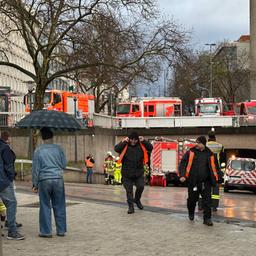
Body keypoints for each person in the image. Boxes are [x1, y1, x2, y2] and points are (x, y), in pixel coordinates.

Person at [32, 127, 67, 238]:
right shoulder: (59, 149)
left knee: (45, 205)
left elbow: (36, 169)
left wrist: (35, 184)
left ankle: (46, 232)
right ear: (52, 136)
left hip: (44, 180)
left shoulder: (38, 150)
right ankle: (61, 230)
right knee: (60, 204)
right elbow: (64, 164)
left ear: (42, 138)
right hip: (58, 179)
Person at [179, 136, 220, 226]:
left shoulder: (210, 154)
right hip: (193, 181)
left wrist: (218, 178)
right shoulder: (191, 152)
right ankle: (191, 212)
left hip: (206, 182)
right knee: (192, 200)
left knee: (207, 201)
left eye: (198, 143)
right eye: (196, 142)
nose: (196, 144)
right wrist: (182, 175)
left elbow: (216, 167)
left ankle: (207, 219)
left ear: (203, 144)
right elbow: (183, 163)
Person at [114, 131, 153, 214]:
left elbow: (150, 148)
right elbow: (116, 149)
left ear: (137, 140)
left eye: (135, 140)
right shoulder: (125, 145)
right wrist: (124, 141)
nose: (133, 141)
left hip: (138, 173)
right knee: (129, 191)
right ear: (129, 139)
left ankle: (137, 199)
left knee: (141, 186)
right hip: (127, 173)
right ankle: (131, 207)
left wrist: (144, 141)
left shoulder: (141, 145)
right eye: (131, 139)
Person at [0, 131, 25, 240]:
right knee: (12, 203)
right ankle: (12, 231)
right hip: (3, 181)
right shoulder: (4, 147)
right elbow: (9, 165)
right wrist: (10, 177)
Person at [207, 131, 224, 211]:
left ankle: (202, 205)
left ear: (208, 137)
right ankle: (214, 206)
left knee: (205, 188)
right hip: (216, 170)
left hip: (206, 169)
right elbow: (222, 159)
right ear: (215, 137)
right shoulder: (220, 146)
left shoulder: (205, 145)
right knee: (215, 189)